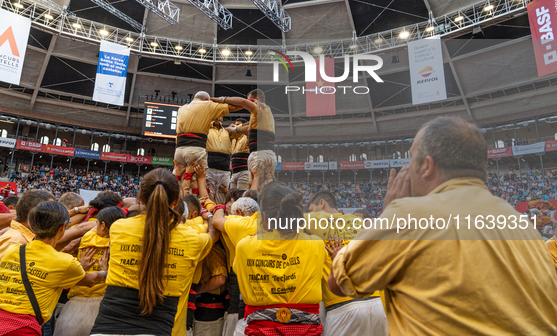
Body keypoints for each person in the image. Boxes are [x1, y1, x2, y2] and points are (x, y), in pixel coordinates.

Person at [329, 116, 557, 335]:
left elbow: (338, 284)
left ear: (427, 166)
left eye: (411, 158)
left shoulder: (408, 216)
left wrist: (388, 215)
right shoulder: (523, 225)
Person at [90, 169, 217, 336]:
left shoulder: (118, 228)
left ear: (141, 198)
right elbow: (213, 235)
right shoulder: (192, 239)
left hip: (106, 330)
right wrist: (210, 214)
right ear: (177, 201)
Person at [0, 202, 107, 336]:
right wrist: (105, 271)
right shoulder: (64, 262)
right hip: (19, 328)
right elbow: (91, 280)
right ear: (62, 227)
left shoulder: (13, 249)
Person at [233, 182, 328, 336]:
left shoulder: (245, 246)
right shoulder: (316, 244)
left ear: (264, 216)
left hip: (260, 330)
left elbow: (238, 270)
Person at [306, 191, 387, 336]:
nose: (310, 213)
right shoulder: (358, 223)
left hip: (343, 306)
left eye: (311, 210)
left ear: (322, 203)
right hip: (376, 304)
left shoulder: (313, 222)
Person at [54, 207, 126, 336]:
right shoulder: (120, 245)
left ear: (102, 225)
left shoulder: (88, 238)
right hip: (104, 307)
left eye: (97, 223)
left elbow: (90, 228)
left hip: (74, 308)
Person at [210, 196, 259, 336]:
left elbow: (217, 220)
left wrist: (219, 207)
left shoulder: (239, 222)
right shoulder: (269, 224)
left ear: (238, 212)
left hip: (240, 293)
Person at [215, 89, 277, 188]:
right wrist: (234, 130)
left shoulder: (260, 107)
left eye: (250, 100)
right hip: (266, 153)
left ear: (256, 99)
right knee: (265, 188)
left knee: (255, 188)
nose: (248, 103)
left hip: (259, 154)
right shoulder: (265, 113)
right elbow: (248, 128)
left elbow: (242, 102)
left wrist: (221, 99)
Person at [174, 91, 240, 175]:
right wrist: (221, 100)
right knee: (198, 181)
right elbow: (236, 106)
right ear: (206, 99)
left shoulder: (182, 108)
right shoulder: (207, 105)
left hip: (179, 150)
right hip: (195, 149)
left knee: (178, 180)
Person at [206, 117, 232, 205]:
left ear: (223, 117)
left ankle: (220, 216)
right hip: (209, 168)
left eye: (220, 114)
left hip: (224, 169)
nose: (217, 117)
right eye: (215, 114)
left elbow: (246, 128)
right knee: (208, 197)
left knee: (222, 197)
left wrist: (235, 128)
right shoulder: (206, 129)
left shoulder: (227, 132)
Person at [229, 118, 250, 190]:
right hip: (234, 172)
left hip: (244, 171)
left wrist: (242, 127)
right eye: (235, 125)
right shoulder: (233, 139)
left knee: (241, 195)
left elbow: (249, 128)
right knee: (232, 195)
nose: (235, 127)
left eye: (238, 125)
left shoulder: (246, 135)